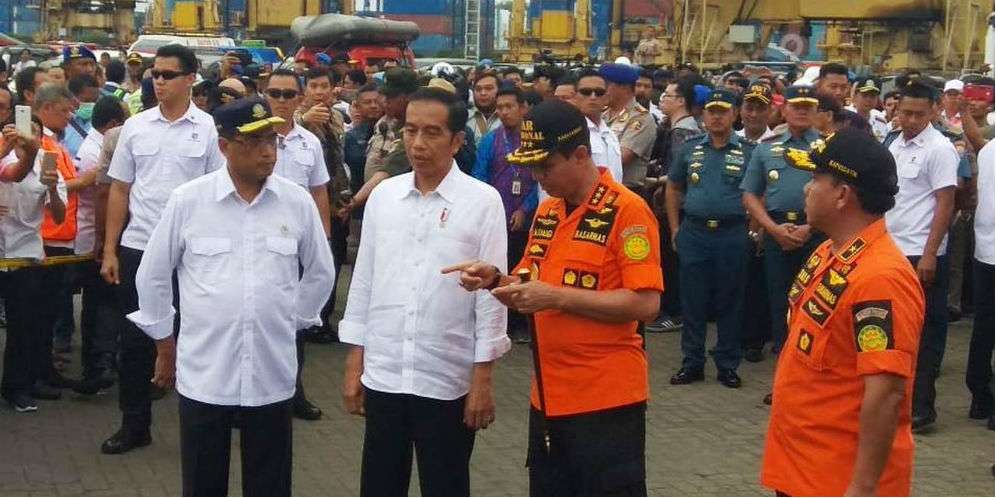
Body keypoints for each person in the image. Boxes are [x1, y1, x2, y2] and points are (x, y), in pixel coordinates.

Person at [446, 99, 663, 495]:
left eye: (545, 166)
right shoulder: (548, 214)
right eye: (531, 167)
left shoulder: (628, 212)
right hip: (547, 396)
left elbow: (646, 305)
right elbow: (529, 287)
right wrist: (496, 279)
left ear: (580, 155)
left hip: (606, 401)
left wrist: (557, 298)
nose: (536, 177)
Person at [127, 98, 335, 496]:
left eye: (272, 141)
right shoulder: (190, 200)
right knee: (204, 481)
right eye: (253, 142)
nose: (267, 151)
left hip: (271, 370)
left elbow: (321, 272)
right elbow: (152, 275)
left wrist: (289, 320)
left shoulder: (296, 201)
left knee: (269, 482)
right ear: (224, 147)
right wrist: (164, 343)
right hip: (206, 370)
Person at [339, 87, 510, 496]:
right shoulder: (384, 197)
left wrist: (482, 376)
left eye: (432, 133)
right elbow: (364, 280)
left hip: (447, 376)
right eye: (410, 130)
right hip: (386, 372)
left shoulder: (483, 201)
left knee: (446, 484)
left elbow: (492, 295)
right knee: (380, 484)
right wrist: (355, 359)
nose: (418, 143)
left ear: (456, 140)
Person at [762, 128, 924, 496]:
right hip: (802, 465)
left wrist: (863, 488)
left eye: (816, 178)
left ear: (841, 195)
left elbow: (885, 394)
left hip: (836, 480)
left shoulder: (882, 277)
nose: (806, 188)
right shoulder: (828, 252)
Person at [100, 44, 226, 455]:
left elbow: (217, 196)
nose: (159, 80)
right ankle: (134, 424)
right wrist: (110, 249)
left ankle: (202, 425)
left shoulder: (208, 129)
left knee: (195, 339)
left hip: (192, 255)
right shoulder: (136, 128)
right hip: (139, 248)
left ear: (191, 79)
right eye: (155, 73)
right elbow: (120, 189)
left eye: (168, 74)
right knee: (134, 340)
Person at [884, 81, 959, 433]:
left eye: (918, 114)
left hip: (922, 255)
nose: (911, 120)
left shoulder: (940, 149)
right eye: (906, 112)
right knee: (891, 334)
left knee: (925, 334)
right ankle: (893, 403)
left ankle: (921, 407)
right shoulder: (893, 143)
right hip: (890, 252)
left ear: (934, 112)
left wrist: (930, 253)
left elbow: (946, 203)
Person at [666, 89, 753, 389]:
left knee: (731, 301)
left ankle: (727, 364)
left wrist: (754, 229)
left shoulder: (748, 151)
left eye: (723, 111)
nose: (717, 116)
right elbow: (674, 188)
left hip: (732, 233)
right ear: (703, 115)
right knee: (693, 302)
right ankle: (692, 363)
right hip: (695, 232)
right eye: (711, 111)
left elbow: (757, 194)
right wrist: (674, 228)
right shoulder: (689, 149)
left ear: (735, 114)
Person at [264, 68, 332, 420]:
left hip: (299, 246)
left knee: (296, 323)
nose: (281, 100)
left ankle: (294, 392)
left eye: (289, 94)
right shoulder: (253, 141)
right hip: (262, 246)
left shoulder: (310, 142)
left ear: (301, 98)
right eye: (275, 93)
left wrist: (323, 237)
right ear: (265, 94)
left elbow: (319, 191)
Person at [741, 85, 824, 364]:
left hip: (816, 235)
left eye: (808, 106)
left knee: (814, 304)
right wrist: (771, 229)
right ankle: (784, 370)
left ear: (816, 111)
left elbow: (838, 193)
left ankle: (809, 367)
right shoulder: (767, 149)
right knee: (780, 303)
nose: (801, 111)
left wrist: (809, 228)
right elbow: (750, 194)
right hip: (777, 232)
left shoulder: (828, 147)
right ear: (784, 109)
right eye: (796, 105)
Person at [0, 116, 63, 413]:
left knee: (23, 324)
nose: (28, 135)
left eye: (35, 131)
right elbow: (13, 172)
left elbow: (60, 216)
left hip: (25, 253)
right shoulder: (3, 155)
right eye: (23, 128)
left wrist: (51, 188)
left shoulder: (48, 164)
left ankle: (17, 388)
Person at [71, 96, 127, 395]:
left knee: (99, 302)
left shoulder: (94, 144)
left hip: (99, 233)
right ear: (114, 124)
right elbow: (105, 194)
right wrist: (104, 242)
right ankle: (99, 363)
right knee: (102, 301)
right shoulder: (103, 147)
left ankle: (98, 363)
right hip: (99, 234)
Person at [472, 85, 538, 344]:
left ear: (523, 108)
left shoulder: (534, 139)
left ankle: (523, 321)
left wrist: (525, 209)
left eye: (509, 107)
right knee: (499, 264)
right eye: (500, 108)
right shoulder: (492, 139)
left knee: (525, 264)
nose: (503, 112)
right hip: (498, 212)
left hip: (526, 214)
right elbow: (480, 174)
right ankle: (502, 321)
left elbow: (539, 180)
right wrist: (491, 206)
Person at [294, 66, 350, 343]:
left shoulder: (338, 116)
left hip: (334, 200)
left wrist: (342, 198)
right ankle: (305, 320)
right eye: (313, 86)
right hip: (306, 204)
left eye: (323, 86)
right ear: (305, 90)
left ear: (332, 89)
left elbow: (337, 161)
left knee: (332, 261)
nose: (318, 92)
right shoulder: (295, 117)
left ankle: (323, 318)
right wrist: (305, 121)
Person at [645, 76, 701, 334]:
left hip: (675, 204)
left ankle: (675, 312)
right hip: (673, 201)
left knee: (671, 258)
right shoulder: (679, 127)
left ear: (681, 101)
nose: (662, 99)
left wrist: (655, 180)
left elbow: (680, 173)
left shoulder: (683, 132)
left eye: (667, 95)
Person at [967, 139, 993, 427]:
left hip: (985, 249)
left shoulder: (988, 151)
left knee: (984, 327)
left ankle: (979, 395)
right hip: (988, 248)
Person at [602, 63, 657, 193]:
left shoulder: (641, 118)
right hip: (601, 188)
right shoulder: (602, 114)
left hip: (626, 190)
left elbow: (621, 158)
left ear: (625, 88)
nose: (601, 90)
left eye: (606, 85)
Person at [575, 69, 624, 183]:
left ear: (606, 98)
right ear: (575, 96)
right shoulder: (570, 132)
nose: (593, 97)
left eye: (599, 92)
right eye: (586, 92)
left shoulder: (610, 135)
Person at [343, 83, 382, 203]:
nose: (373, 106)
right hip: (358, 202)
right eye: (367, 102)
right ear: (357, 106)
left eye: (377, 101)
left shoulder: (393, 133)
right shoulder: (350, 137)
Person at [63, 74, 101, 157]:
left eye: (95, 100)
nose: (91, 104)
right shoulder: (61, 123)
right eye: (86, 100)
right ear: (71, 97)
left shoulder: (101, 122)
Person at [468, 71, 501, 145]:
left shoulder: (507, 118)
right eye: (478, 89)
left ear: (499, 90)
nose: (483, 93)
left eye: (488, 88)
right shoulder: (465, 118)